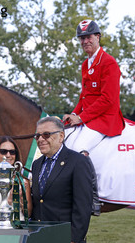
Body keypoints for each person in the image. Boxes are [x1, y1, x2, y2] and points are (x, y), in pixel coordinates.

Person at [63, 19, 125, 154]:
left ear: (97, 37)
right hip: (88, 118)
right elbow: (84, 96)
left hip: (104, 119)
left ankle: (88, 176)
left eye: (88, 37)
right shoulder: (85, 64)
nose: (85, 41)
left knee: (77, 149)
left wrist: (80, 117)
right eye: (82, 38)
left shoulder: (109, 62)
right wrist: (74, 114)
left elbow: (108, 99)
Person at [31, 116, 93, 243]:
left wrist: (73, 238)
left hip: (65, 238)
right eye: (37, 136)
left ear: (61, 136)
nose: (41, 139)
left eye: (46, 135)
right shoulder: (36, 164)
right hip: (40, 236)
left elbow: (83, 206)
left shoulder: (78, 162)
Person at [0, 137, 33, 220]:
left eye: (12, 152)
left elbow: (28, 213)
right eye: (3, 151)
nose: (8, 155)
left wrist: (21, 198)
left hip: (20, 228)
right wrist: (9, 201)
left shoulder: (23, 181)